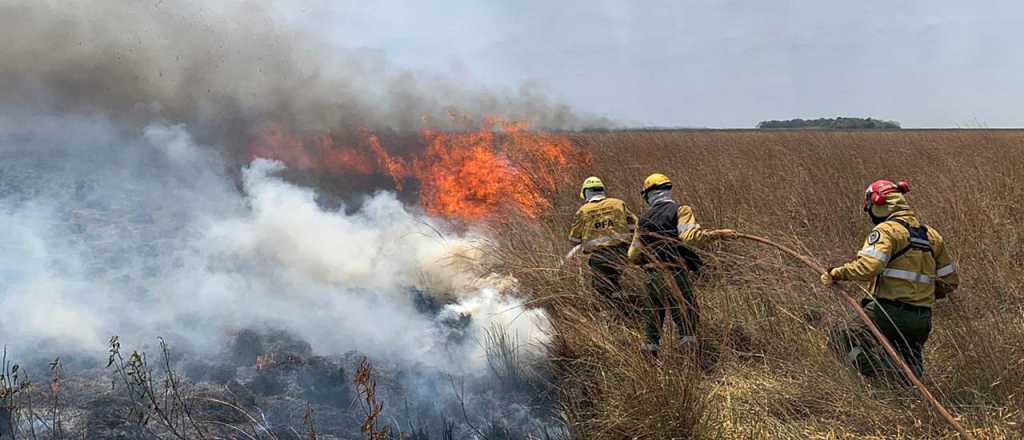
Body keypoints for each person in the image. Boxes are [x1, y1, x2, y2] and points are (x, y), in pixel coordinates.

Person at [821, 179, 959, 381]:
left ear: (878, 204)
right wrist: (923, 293)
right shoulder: (932, 236)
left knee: (841, 339)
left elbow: (869, 267)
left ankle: (884, 376)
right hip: (921, 319)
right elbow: (950, 281)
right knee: (909, 366)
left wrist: (837, 273)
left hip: (887, 313)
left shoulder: (886, 231)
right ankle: (905, 385)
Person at [627, 173, 737, 354]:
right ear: (668, 190)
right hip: (675, 275)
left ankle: (650, 363)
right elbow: (690, 237)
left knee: (652, 323)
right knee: (687, 318)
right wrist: (719, 233)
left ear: (648, 195)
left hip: (651, 278)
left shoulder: (643, 219)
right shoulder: (681, 210)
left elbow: (632, 255)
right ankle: (692, 364)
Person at [569, 176, 639, 315]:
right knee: (615, 282)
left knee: (601, 288)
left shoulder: (583, 211)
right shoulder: (618, 203)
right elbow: (635, 225)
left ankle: (615, 314)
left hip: (599, 258)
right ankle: (627, 308)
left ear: (586, 192)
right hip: (623, 252)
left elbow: (574, 239)